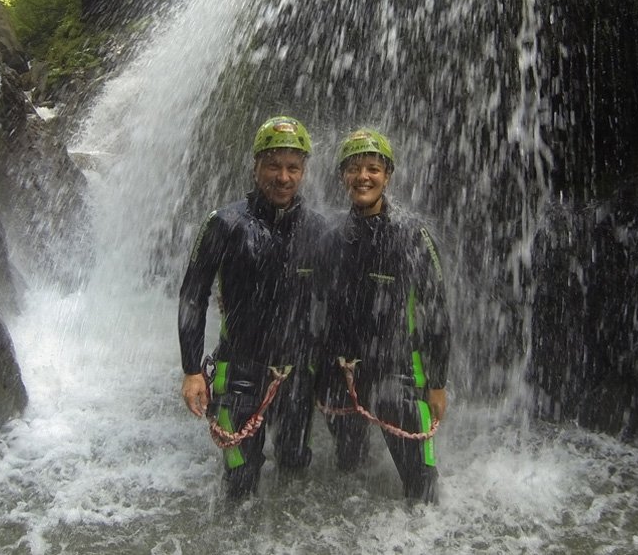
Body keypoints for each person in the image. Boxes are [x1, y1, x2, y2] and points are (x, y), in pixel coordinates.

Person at [178, 116, 326, 500]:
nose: (283, 177)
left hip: (296, 373)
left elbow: (334, 300)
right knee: (240, 484)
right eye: (273, 165)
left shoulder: (317, 228)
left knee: (295, 466)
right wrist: (192, 370)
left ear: (304, 171)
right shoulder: (225, 224)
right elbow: (193, 296)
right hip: (239, 369)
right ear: (256, 165)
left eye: (293, 167)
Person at [315, 128, 450, 503]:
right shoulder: (332, 239)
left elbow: (436, 310)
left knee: (421, 488)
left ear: (387, 175)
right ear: (343, 176)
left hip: (398, 371)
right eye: (354, 169)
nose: (363, 177)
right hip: (346, 372)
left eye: (373, 168)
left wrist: (437, 383)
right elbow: (320, 308)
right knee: (349, 467)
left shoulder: (412, 236)